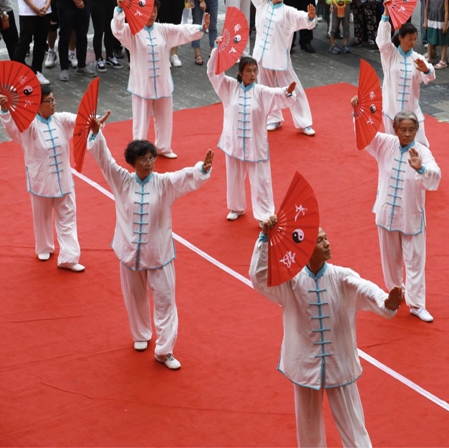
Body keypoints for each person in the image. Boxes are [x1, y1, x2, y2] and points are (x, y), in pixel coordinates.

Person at [250, 221, 403, 447]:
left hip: (339, 362)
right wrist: (264, 238)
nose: (327, 244)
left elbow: (364, 288)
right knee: (308, 427)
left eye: (326, 238)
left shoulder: (341, 276)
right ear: (306, 249)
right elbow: (260, 278)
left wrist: (386, 301)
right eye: (320, 241)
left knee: (353, 426)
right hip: (304, 365)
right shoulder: (291, 282)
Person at [86, 110, 213, 369]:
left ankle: (165, 351)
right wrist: (97, 133)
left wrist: (201, 168)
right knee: (134, 297)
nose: (149, 162)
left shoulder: (164, 183)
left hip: (159, 254)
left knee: (165, 300)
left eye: (152, 157)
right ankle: (141, 334)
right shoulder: (121, 180)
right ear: (133, 162)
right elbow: (104, 160)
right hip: (128, 251)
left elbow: (184, 177)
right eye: (143, 158)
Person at [356, 110, 440, 323]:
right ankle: (396, 290)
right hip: (387, 212)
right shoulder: (385, 143)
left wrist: (421, 168)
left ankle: (417, 304)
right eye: (403, 129)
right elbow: (365, 134)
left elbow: (435, 175)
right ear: (395, 129)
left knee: (415, 261)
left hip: (411, 216)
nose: (407, 134)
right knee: (390, 258)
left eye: (412, 129)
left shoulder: (422, 152)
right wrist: (358, 113)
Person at [207, 42, 297, 221]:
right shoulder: (229, 87)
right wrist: (218, 50)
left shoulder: (261, 91)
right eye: (248, 71)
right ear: (240, 73)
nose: (253, 74)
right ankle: (236, 207)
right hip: (233, 141)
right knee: (234, 176)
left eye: (255, 70)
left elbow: (277, 94)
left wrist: (287, 92)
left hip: (255, 144)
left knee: (261, 179)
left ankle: (265, 213)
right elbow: (213, 73)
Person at [112, 0, 209, 158]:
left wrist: (200, 28)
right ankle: (138, 150)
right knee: (141, 120)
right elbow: (118, 30)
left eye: (155, 11)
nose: (152, 14)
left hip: (162, 82)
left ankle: (164, 147)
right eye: (149, 11)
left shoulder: (163, 29)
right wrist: (119, 9)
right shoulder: (133, 30)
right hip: (142, 84)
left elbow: (181, 31)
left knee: (164, 117)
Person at [0, 90, 84, 272]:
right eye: (49, 101)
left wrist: (94, 120)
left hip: (64, 181)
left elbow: (80, 120)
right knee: (42, 217)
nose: (54, 103)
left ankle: (69, 257)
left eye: (54, 99)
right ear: (38, 105)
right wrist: (5, 110)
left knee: (68, 219)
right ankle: (44, 247)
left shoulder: (61, 119)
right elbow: (12, 129)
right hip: (41, 181)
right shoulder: (29, 126)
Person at [249, 0, 318, 136]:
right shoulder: (262, 4)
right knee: (266, 89)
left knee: (293, 88)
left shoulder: (288, 11)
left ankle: (304, 122)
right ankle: (273, 118)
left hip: (280, 56)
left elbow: (303, 19)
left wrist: (310, 17)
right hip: (261, 55)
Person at [377, 0, 435, 146]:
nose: (413, 42)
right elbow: (382, 41)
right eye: (410, 39)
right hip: (391, 108)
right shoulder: (390, 54)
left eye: (415, 39)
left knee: (420, 145)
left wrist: (426, 70)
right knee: (393, 144)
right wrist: (386, 13)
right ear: (401, 37)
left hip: (412, 109)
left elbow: (430, 75)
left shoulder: (417, 58)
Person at [423, 0, 449, 69]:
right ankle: (429, 58)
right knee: (430, 40)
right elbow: (426, 9)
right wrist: (425, 21)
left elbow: (446, 12)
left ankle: (443, 61)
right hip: (431, 22)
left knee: (443, 41)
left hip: (441, 22)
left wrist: (445, 24)